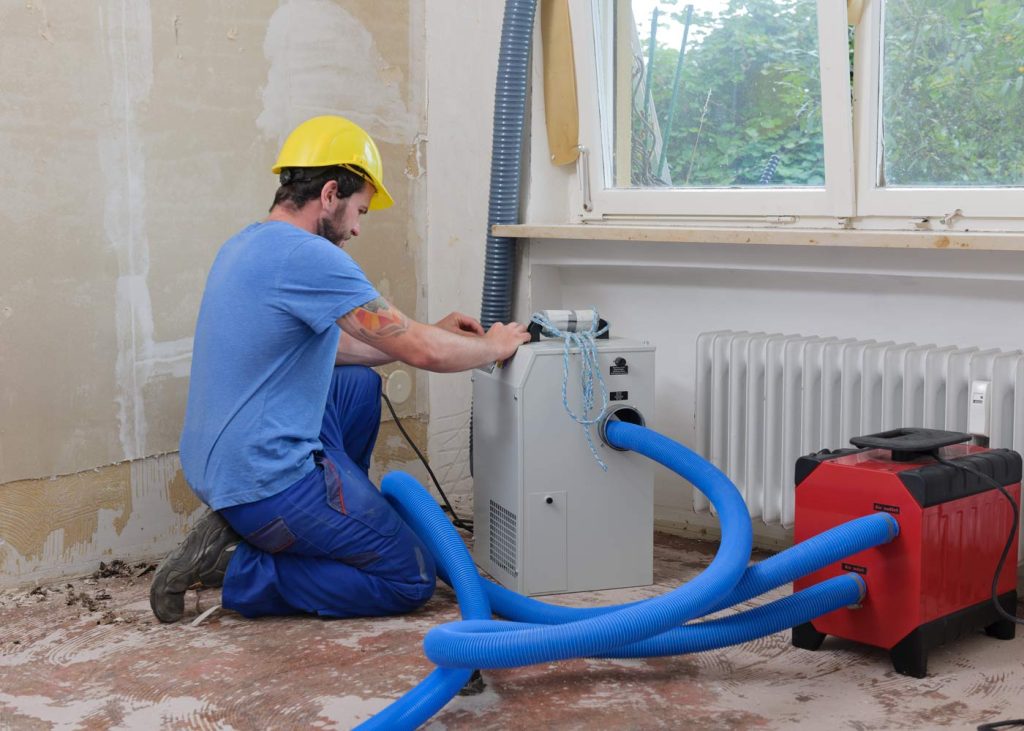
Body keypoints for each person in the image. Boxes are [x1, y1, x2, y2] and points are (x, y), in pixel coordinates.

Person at [150, 115, 530, 623]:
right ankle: (240, 568)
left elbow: (343, 349)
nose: (355, 228)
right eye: (358, 211)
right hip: (264, 481)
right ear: (329, 193)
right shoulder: (310, 256)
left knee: (355, 386)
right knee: (409, 576)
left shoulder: (246, 243)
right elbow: (425, 353)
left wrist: (426, 330)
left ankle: (316, 526)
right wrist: (495, 345)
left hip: (219, 464)